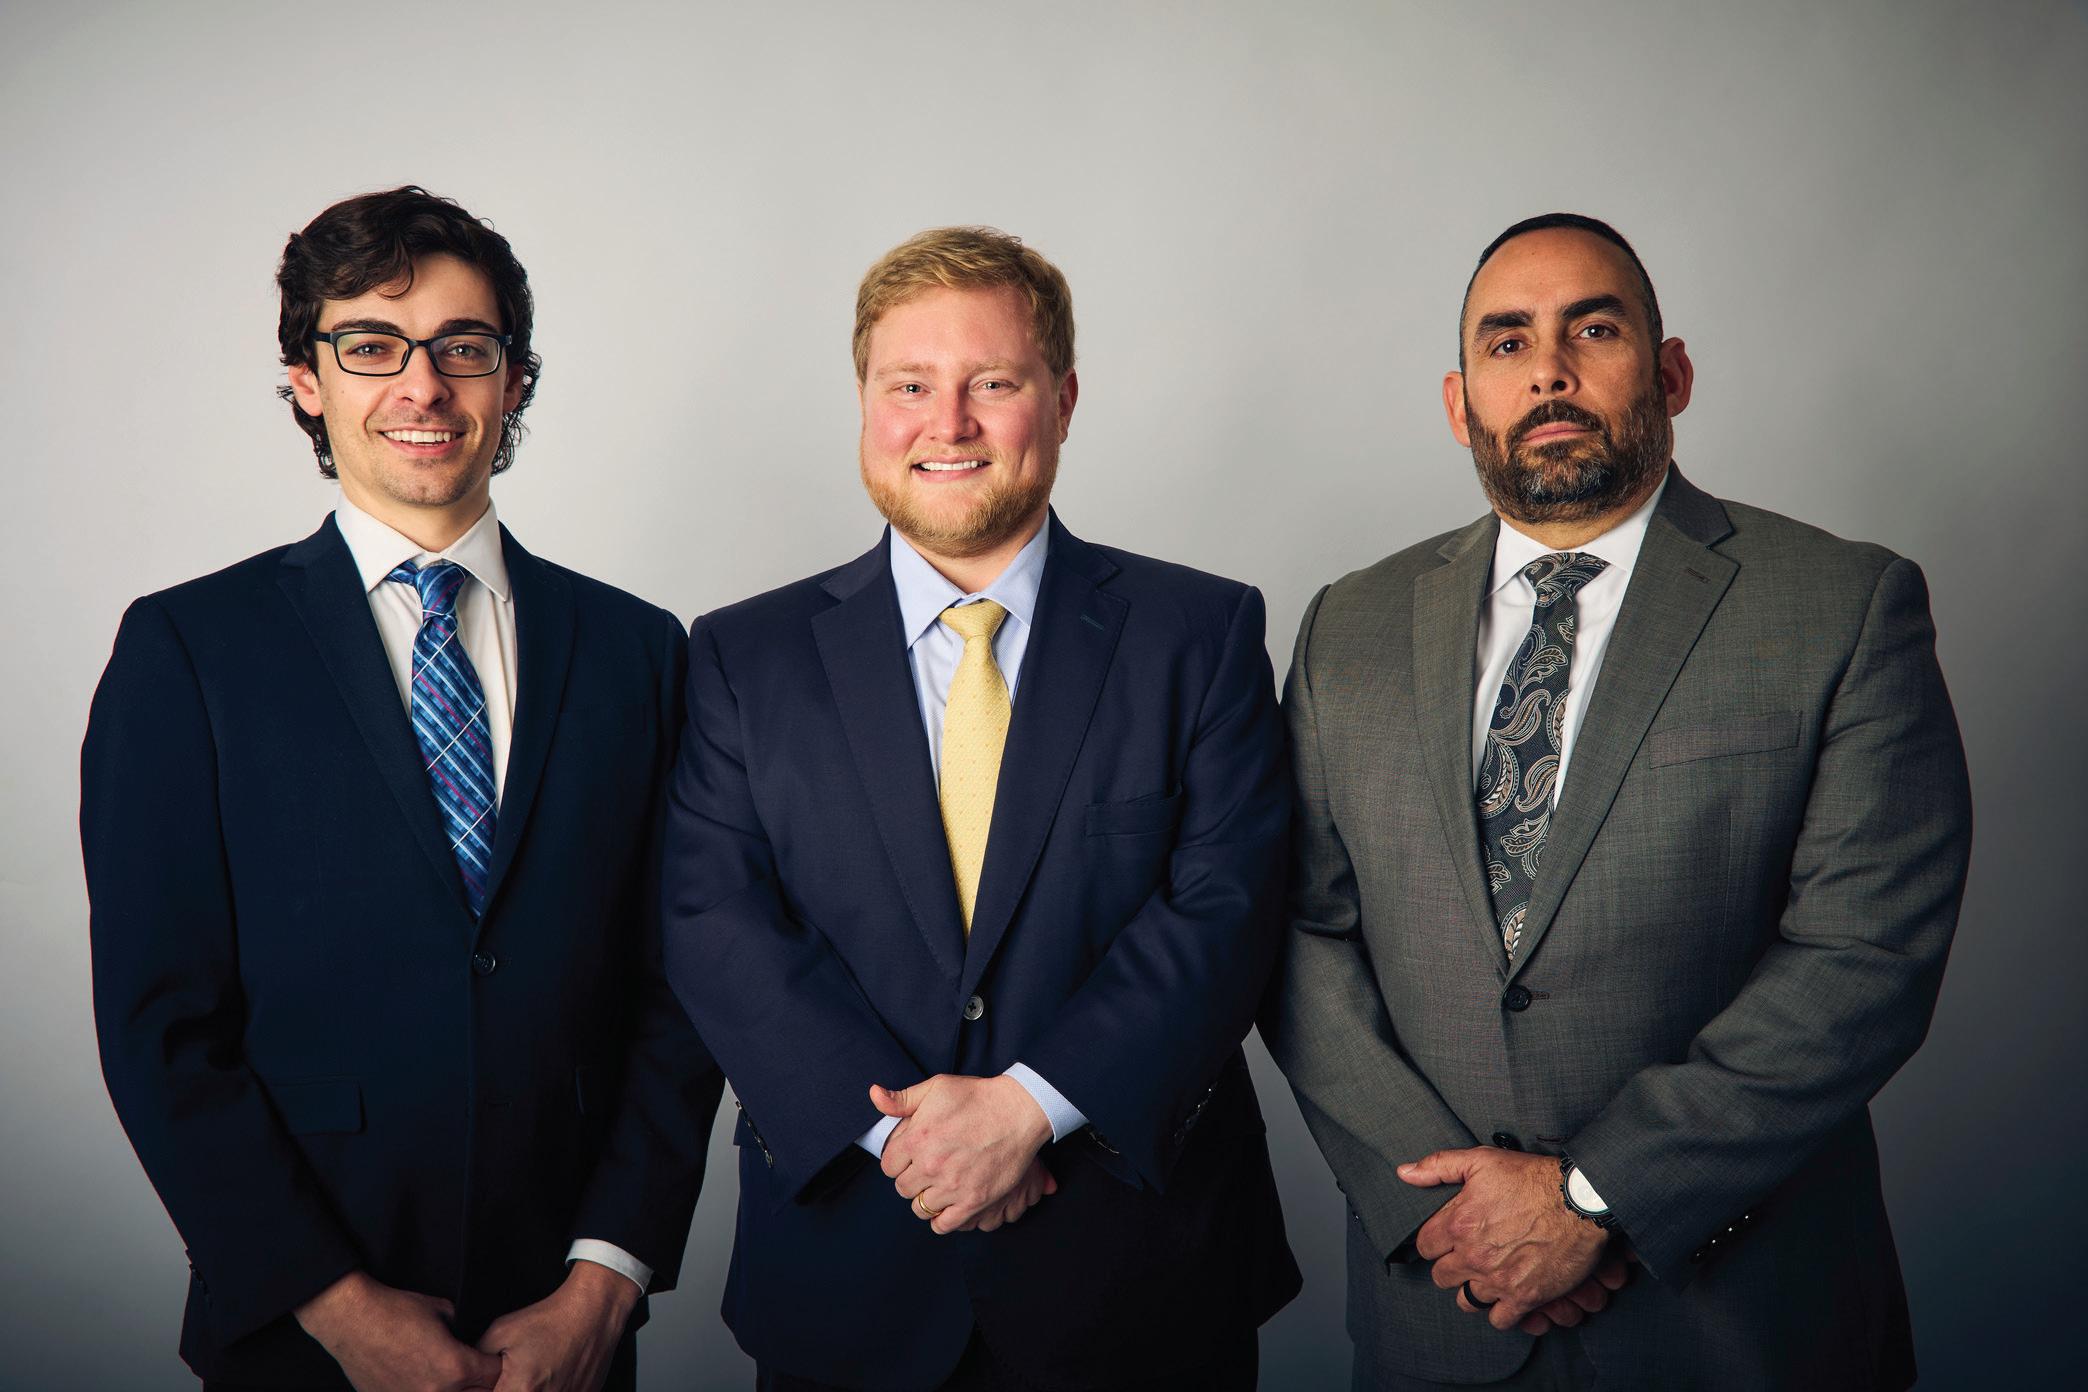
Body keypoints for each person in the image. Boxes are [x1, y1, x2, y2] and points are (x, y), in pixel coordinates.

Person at [1264, 212, 1971, 1391]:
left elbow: (1865, 957)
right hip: (1447, 1306)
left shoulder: (1842, 607)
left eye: (1593, 330)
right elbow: (1300, 935)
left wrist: (1599, 1195)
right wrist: (1454, 1207)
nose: (1548, 369)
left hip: (1739, 1322)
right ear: (1460, 404)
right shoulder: (1349, 626)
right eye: (1507, 343)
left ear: (1672, 372)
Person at [82, 186, 722, 1392]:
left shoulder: (639, 652)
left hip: (567, 1326)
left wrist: (605, 1284)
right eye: (371, 346)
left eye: (463, 349)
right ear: (305, 380)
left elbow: (683, 992)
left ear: (513, 381)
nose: (423, 387)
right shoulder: (190, 653)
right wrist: (334, 1306)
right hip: (300, 1331)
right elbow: (161, 1027)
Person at [661, 226, 1299, 1390]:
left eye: (992, 384)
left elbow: (1227, 908)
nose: (946, 424)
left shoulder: (1199, 635)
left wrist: (1030, 1111)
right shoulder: (744, 657)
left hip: (1140, 1276)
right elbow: (717, 921)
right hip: (852, 1265)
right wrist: (905, 1137)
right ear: (865, 403)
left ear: (1062, 400)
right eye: (909, 385)